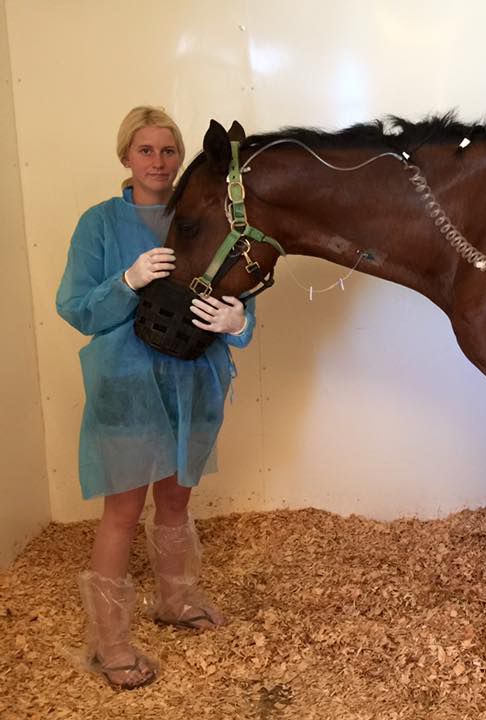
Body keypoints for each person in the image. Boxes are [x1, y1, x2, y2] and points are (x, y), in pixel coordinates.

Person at [56, 106, 255, 690]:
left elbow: (241, 292)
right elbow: (76, 308)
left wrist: (237, 321)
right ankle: (110, 644)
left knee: (174, 501)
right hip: (126, 386)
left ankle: (177, 600)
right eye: (146, 150)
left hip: (194, 382)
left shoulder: (201, 215)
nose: (159, 162)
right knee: (121, 511)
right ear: (126, 156)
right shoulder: (99, 224)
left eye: (169, 150)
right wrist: (128, 281)